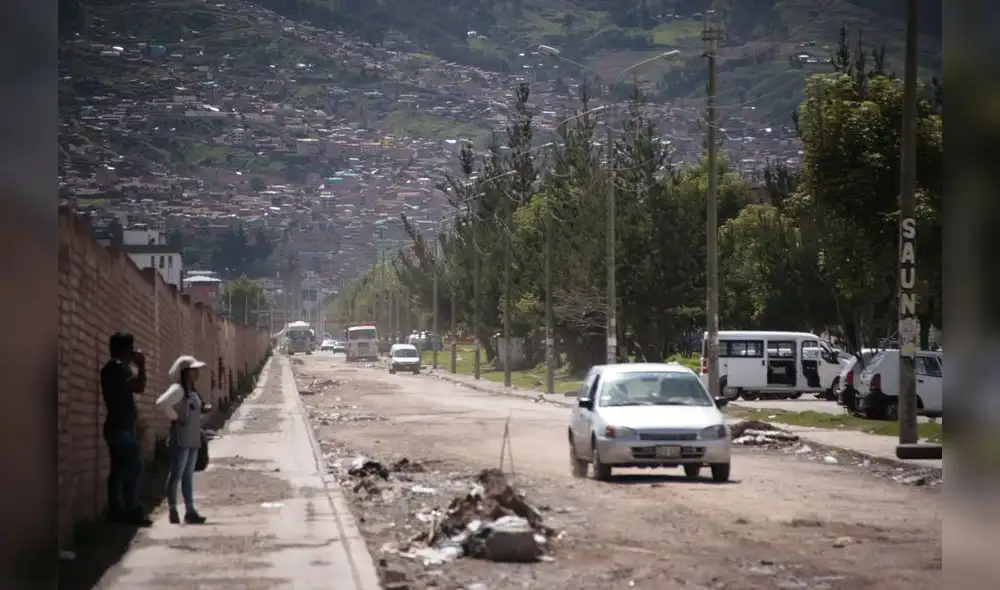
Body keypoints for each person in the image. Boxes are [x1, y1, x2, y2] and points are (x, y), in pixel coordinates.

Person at [100, 332, 152, 526]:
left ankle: (116, 510)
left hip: (117, 426)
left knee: (119, 470)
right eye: (131, 348)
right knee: (133, 467)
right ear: (125, 349)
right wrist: (142, 366)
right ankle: (131, 509)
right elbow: (139, 387)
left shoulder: (111, 368)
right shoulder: (118, 368)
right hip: (120, 428)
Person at [155, 355, 210, 524]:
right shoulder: (178, 390)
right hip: (181, 438)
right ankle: (172, 509)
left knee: (188, 476)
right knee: (176, 475)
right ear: (185, 372)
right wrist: (175, 418)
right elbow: (161, 403)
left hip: (192, 439)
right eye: (194, 370)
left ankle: (190, 510)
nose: (197, 373)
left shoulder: (192, 391)